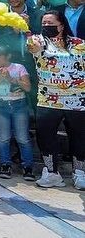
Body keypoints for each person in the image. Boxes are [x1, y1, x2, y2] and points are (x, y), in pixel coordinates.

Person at [27, 11, 85, 189]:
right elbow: (32, 47)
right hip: (48, 99)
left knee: (79, 137)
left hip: (77, 100)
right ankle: (51, 173)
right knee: (45, 135)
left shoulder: (80, 44)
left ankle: (80, 173)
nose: (46, 26)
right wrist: (29, 33)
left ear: (61, 24)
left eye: (50, 23)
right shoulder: (39, 41)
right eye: (44, 23)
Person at [0, 44, 35, 180]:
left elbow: (28, 87)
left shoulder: (19, 68)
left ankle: (28, 166)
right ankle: (5, 164)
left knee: (23, 137)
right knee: (3, 137)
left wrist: (12, 79)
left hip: (19, 105)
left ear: (8, 56)